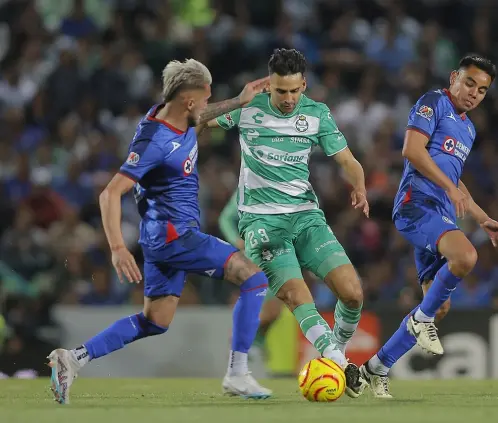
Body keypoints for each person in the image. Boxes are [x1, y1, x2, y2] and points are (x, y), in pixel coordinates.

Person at [47, 59, 272, 404]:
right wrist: (118, 248)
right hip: (174, 236)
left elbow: (204, 114)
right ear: (187, 100)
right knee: (253, 278)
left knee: (156, 320)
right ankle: (238, 372)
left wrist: (240, 100)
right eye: (204, 95)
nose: (208, 101)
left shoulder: (177, 114)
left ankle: (73, 359)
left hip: (162, 238)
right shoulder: (154, 140)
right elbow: (110, 193)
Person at [207, 48, 369, 398]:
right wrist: (236, 100)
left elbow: (347, 159)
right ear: (269, 86)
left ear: (304, 85)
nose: (288, 99)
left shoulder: (316, 113)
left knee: (353, 293)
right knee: (299, 297)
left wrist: (359, 183)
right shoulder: (247, 109)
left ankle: (334, 353)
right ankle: (341, 364)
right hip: (262, 222)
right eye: (281, 91)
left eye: (295, 91)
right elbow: (191, 120)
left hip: (306, 217)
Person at [359, 54, 498, 398]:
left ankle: (374, 368)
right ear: (454, 77)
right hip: (415, 204)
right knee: (465, 256)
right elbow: (412, 150)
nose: (474, 93)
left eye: (482, 90)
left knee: (440, 305)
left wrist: (483, 219)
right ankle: (420, 323)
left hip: (440, 213)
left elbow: (455, 179)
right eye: (469, 83)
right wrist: (449, 189)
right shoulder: (432, 102)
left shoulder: (468, 128)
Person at [219, 191, 284, 361]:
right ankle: (241, 338)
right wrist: (236, 241)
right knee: (270, 304)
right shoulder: (247, 188)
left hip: (277, 255)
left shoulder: (284, 186)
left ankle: (253, 342)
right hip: (254, 254)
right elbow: (225, 218)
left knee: (276, 307)